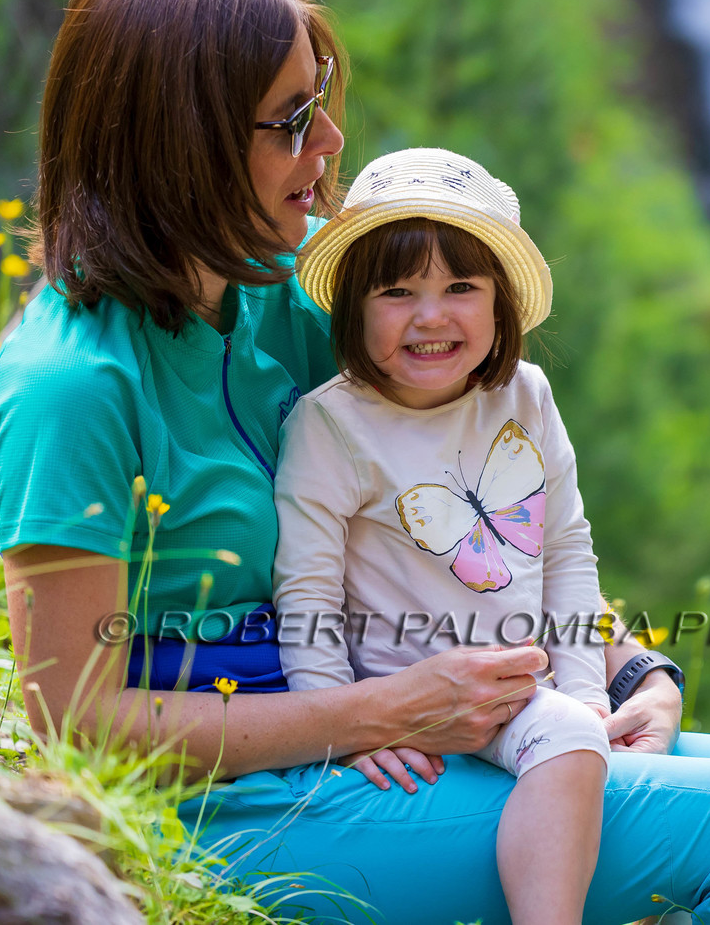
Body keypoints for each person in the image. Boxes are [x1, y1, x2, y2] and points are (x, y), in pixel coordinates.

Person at [0, 0, 710, 925]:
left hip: (395, 702)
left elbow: (495, 497)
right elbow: (77, 721)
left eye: (323, 105)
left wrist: (631, 667)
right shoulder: (72, 390)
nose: (331, 148)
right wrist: (372, 712)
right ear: (181, 140)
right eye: (293, 121)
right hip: (224, 804)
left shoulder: (286, 282)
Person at [273, 148, 616, 925]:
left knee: (581, 733)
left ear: (500, 305)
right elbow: (307, 592)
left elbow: (565, 547)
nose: (432, 316)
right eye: (398, 292)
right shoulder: (334, 423)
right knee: (569, 741)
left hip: (523, 690)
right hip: (406, 703)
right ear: (355, 307)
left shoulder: (524, 395)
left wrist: (587, 687)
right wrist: (343, 724)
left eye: (462, 287)